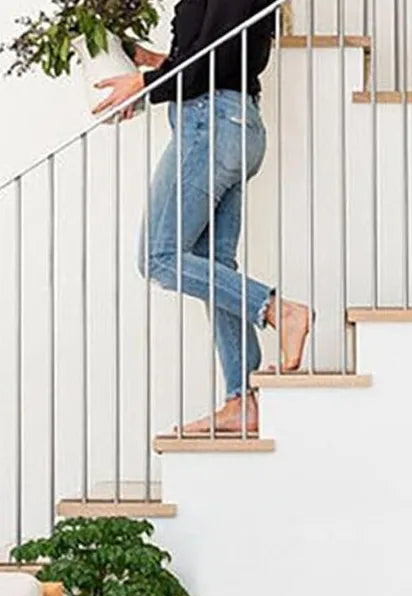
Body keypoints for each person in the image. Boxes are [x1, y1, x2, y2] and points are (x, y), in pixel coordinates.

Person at [93, 0, 311, 435]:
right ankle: (241, 399)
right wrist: (150, 67)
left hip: (212, 123)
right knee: (214, 269)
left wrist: (148, 83)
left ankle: (277, 310)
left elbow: (218, 61)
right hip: (224, 123)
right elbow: (200, 60)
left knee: (158, 257)